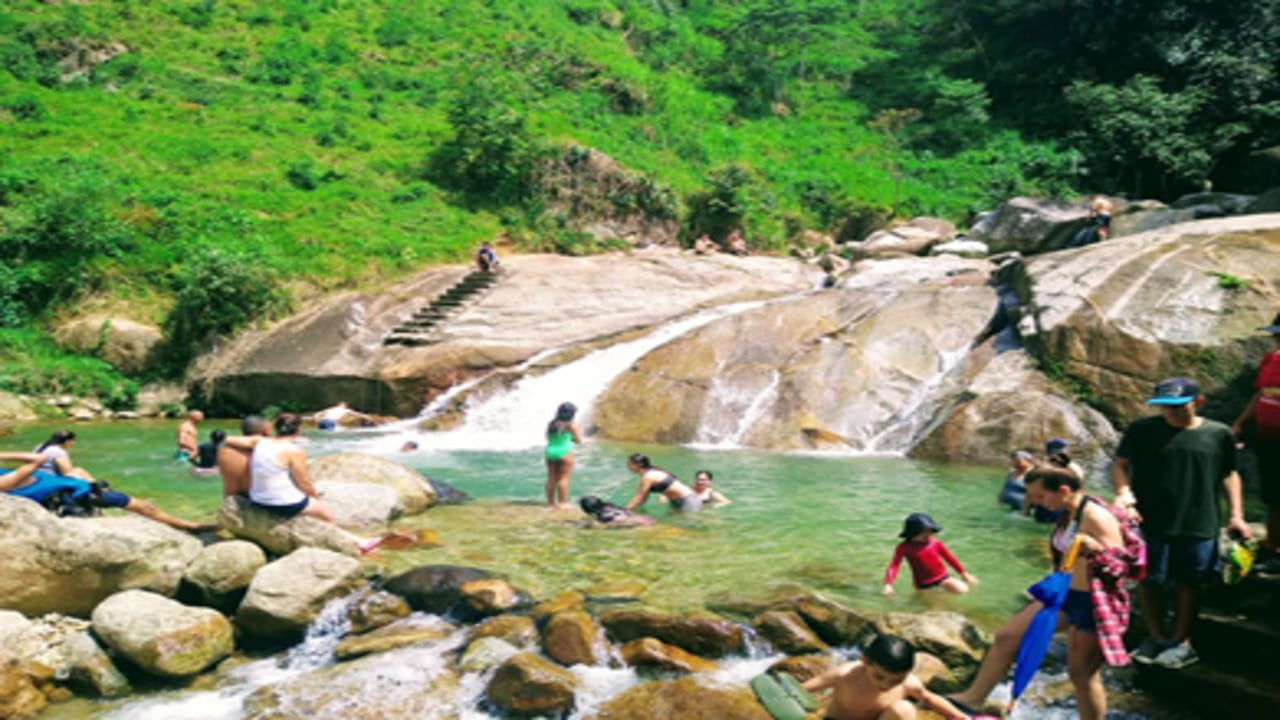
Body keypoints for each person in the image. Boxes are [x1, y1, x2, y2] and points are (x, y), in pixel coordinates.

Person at [946, 466, 1140, 720]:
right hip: (1063, 596)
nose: (1036, 503)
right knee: (1007, 637)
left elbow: (1121, 566)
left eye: (1040, 497)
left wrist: (1097, 550)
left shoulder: (1095, 516)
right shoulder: (1067, 512)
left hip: (1092, 602)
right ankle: (974, 698)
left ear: (1062, 490)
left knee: (1082, 674)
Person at [1113, 376, 1250, 669]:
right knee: (1149, 580)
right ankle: (1155, 637)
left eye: (1178, 405)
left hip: (1199, 520)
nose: (1171, 411)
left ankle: (1181, 641)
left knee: (1190, 582)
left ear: (1197, 402)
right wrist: (1124, 494)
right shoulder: (1142, 430)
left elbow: (1229, 474)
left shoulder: (1218, 434)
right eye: (1165, 406)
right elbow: (1121, 464)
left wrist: (1236, 515)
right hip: (1150, 520)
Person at [1, 452, 214, 533]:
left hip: (74, 486)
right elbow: (37, 459)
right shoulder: (5, 481)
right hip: (79, 496)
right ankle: (189, 526)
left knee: (78, 471)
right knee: (144, 507)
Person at [802, 634, 972, 720]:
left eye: (896, 680)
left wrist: (961, 717)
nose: (886, 685)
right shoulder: (843, 675)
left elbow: (929, 699)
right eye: (879, 676)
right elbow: (801, 690)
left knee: (904, 709)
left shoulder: (908, 683)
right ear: (865, 661)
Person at [1232, 312, 1280, 574]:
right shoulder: (1272, 359)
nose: (1275, 337)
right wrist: (1240, 422)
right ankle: (1273, 546)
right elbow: (1261, 393)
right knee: (1273, 496)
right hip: (1268, 439)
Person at [883, 513, 977, 596]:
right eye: (923, 533)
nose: (927, 535)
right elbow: (894, 565)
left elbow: (949, 558)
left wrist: (964, 573)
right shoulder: (903, 547)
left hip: (942, 578)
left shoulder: (935, 543)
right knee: (933, 605)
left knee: (963, 589)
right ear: (912, 532)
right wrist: (888, 584)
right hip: (922, 584)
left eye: (929, 531)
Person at [623, 453, 701, 513]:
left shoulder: (648, 476)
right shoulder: (652, 472)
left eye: (629, 464)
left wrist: (624, 511)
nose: (627, 466)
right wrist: (634, 510)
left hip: (688, 500)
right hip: (677, 500)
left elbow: (638, 498)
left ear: (639, 465)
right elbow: (643, 498)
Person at [218, 415, 268, 498]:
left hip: (230, 499)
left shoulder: (223, 450)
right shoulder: (267, 447)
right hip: (257, 500)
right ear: (265, 431)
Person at [544, 402, 583, 508]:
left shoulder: (551, 424)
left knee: (551, 478)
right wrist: (571, 438)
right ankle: (562, 503)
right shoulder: (572, 426)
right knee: (563, 479)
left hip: (550, 451)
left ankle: (550, 503)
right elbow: (579, 440)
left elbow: (547, 437)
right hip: (564, 451)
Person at [579, 495, 654, 527]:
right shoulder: (609, 505)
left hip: (643, 524)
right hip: (647, 519)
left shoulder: (602, 516)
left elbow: (619, 519)